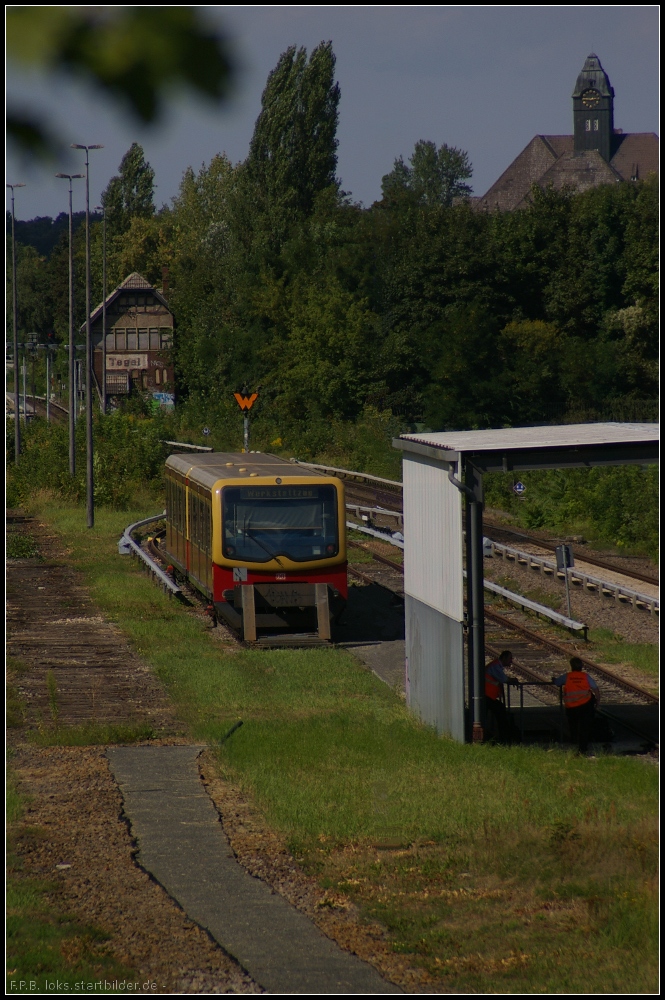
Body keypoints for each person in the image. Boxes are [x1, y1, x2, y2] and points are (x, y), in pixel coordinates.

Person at [552, 657, 600, 754]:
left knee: (573, 726)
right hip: (585, 705)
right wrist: (597, 702)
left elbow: (557, 682)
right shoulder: (585, 677)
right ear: (581, 667)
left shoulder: (567, 676)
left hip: (572, 707)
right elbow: (595, 689)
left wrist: (553, 679)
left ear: (571, 666)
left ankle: (574, 743)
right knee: (584, 727)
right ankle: (583, 747)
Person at [485, 650, 519, 743]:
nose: (511, 661)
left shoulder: (496, 665)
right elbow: (503, 679)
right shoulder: (495, 666)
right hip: (487, 696)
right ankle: (504, 737)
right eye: (510, 658)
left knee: (500, 711)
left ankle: (503, 735)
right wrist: (513, 680)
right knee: (501, 712)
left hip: (489, 696)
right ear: (503, 658)